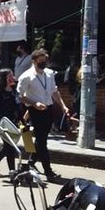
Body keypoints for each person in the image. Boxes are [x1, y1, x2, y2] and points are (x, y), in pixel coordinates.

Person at [17, 48, 70, 182]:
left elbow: (54, 92)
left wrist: (63, 106)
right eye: (41, 62)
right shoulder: (26, 76)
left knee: (42, 140)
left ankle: (30, 161)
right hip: (36, 111)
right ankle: (48, 172)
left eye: (45, 61)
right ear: (34, 61)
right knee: (42, 142)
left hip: (49, 109)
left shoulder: (49, 74)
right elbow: (20, 96)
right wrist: (34, 104)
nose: (43, 64)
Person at [0, 68, 22, 176]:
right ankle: (12, 171)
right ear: (4, 78)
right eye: (9, 76)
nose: (12, 78)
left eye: (12, 75)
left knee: (8, 145)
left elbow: (18, 108)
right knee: (10, 146)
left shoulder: (14, 91)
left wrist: (23, 122)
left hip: (13, 122)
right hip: (1, 123)